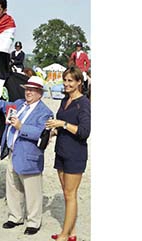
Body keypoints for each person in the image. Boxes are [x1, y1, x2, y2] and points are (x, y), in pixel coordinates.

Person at [0, 76, 53, 235]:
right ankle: (15, 217)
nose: (29, 92)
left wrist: (21, 126)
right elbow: (2, 105)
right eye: (27, 89)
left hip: (29, 156)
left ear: (40, 93)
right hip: (13, 152)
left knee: (32, 191)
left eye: (32, 90)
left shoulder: (45, 112)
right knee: (13, 188)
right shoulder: (19, 104)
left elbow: (41, 134)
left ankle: (33, 222)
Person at [45, 66, 91, 241]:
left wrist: (62, 124)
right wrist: (53, 131)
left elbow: (84, 132)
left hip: (75, 153)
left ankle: (64, 235)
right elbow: (62, 125)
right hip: (61, 151)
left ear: (79, 82)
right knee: (66, 193)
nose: (66, 83)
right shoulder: (65, 100)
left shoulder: (84, 103)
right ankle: (71, 233)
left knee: (70, 194)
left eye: (70, 80)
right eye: (65, 80)